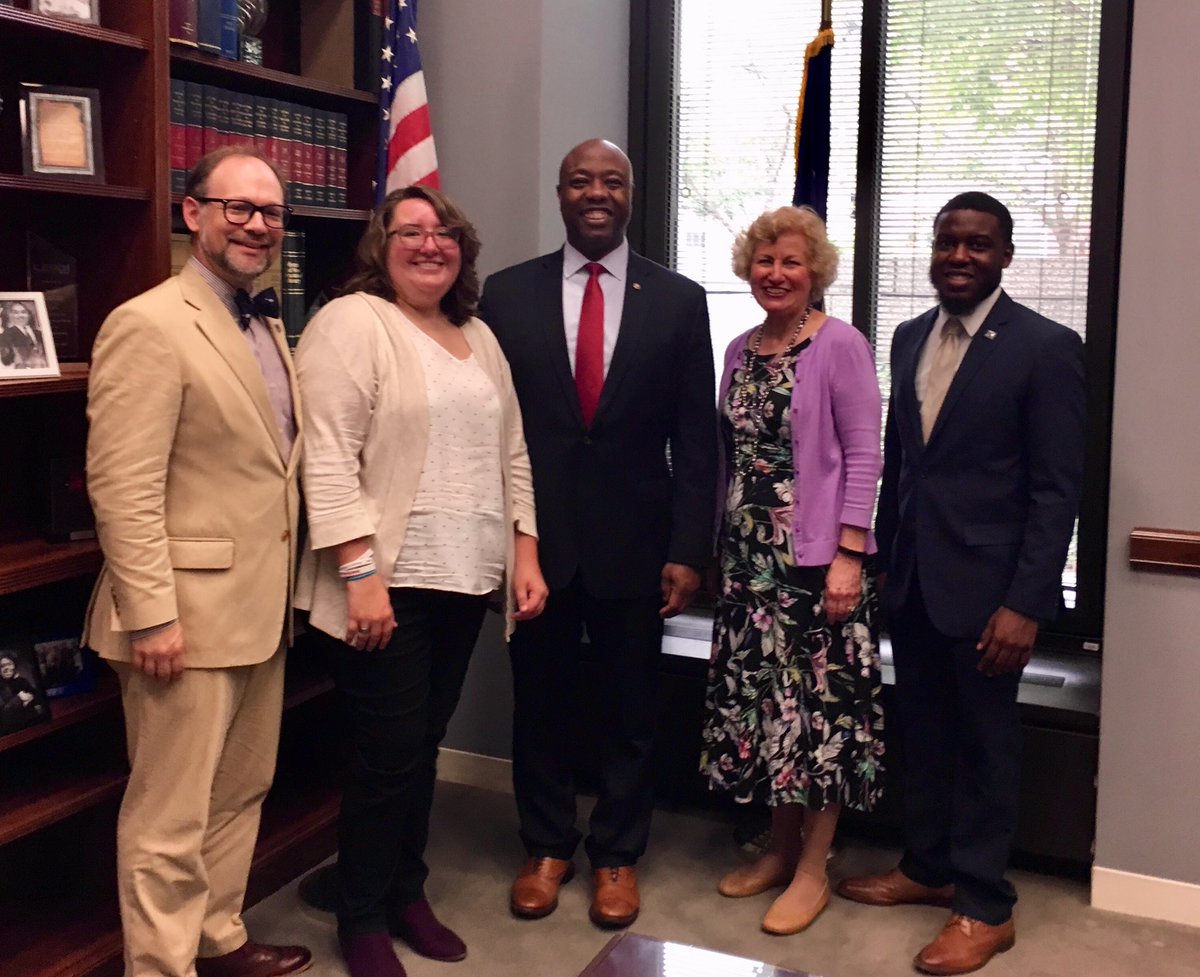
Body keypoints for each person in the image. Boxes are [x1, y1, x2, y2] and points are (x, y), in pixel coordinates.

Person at [293, 184, 548, 977]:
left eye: (443, 233)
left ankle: (406, 890)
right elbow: (327, 457)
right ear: (383, 244)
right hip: (386, 580)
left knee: (421, 746)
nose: (428, 244)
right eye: (410, 231)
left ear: (462, 250)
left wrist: (526, 550)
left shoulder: (478, 335)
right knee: (387, 751)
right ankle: (362, 911)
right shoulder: (350, 322)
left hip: (468, 575)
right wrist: (361, 574)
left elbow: (513, 452)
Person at [837, 192, 1086, 975]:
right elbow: (904, 465)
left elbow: (1056, 489)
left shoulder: (1045, 347)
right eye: (948, 242)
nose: (959, 256)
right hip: (915, 580)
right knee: (928, 735)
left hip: (991, 594)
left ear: (1005, 256)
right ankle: (927, 865)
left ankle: (984, 904)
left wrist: (1025, 604)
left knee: (985, 746)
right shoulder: (911, 336)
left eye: (978, 244)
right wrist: (879, 562)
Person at [84, 146, 310, 977]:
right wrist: (152, 614)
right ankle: (161, 966)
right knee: (167, 818)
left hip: (260, 611)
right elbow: (122, 486)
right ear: (193, 213)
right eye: (238, 207)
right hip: (180, 618)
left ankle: (217, 938)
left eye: (272, 211)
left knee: (240, 791)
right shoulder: (147, 323)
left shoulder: (266, 321)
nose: (257, 224)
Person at [480, 138, 717, 928]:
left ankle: (616, 855)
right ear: (559, 194)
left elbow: (697, 439)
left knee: (631, 709)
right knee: (537, 703)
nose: (596, 192)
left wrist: (689, 549)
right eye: (581, 179)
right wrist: (504, 539)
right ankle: (546, 846)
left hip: (637, 545)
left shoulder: (679, 300)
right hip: (536, 546)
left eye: (612, 180)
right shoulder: (505, 295)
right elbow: (488, 428)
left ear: (631, 193)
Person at [700, 206, 884, 936]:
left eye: (791, 263)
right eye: (764, 261)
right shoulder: (740, 350)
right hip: (749, 563)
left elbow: (866, 454)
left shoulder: (840, 345)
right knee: (769, 707)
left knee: (821, 713)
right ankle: (777, 849)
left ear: (815, 274)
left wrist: (848, 554)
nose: (776, 274)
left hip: (816, 566)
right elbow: (729, 455)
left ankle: (814, 867)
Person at [0, 654, 49, 733]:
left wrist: (31, 698)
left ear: (14, 666)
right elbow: (3, 714)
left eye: (9, 664)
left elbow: (38, 697)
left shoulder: (22, 681)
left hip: (34, 726)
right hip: (13, 732)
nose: (6, 668)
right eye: (2, 666)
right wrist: (19, 698)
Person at [0, 300, 49, 369]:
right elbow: (6, 361)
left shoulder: (40, 333)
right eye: (15, 312)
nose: (20, 315)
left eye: (23, 312)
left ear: (29, 314)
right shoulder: (5, 335)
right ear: (9, 315)